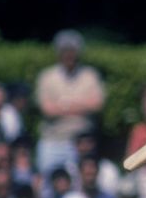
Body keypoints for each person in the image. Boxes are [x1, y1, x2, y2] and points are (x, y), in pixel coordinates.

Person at [34, 29, 106, 177]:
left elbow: (97, 104)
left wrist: (63, 105)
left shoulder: (90, 76)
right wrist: (80, 106)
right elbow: (47, 109)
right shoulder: (47, 77)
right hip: (53, 141)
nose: (69, 55)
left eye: (72, 51)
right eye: (65, 51)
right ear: (58, 53)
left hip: (83, 143)